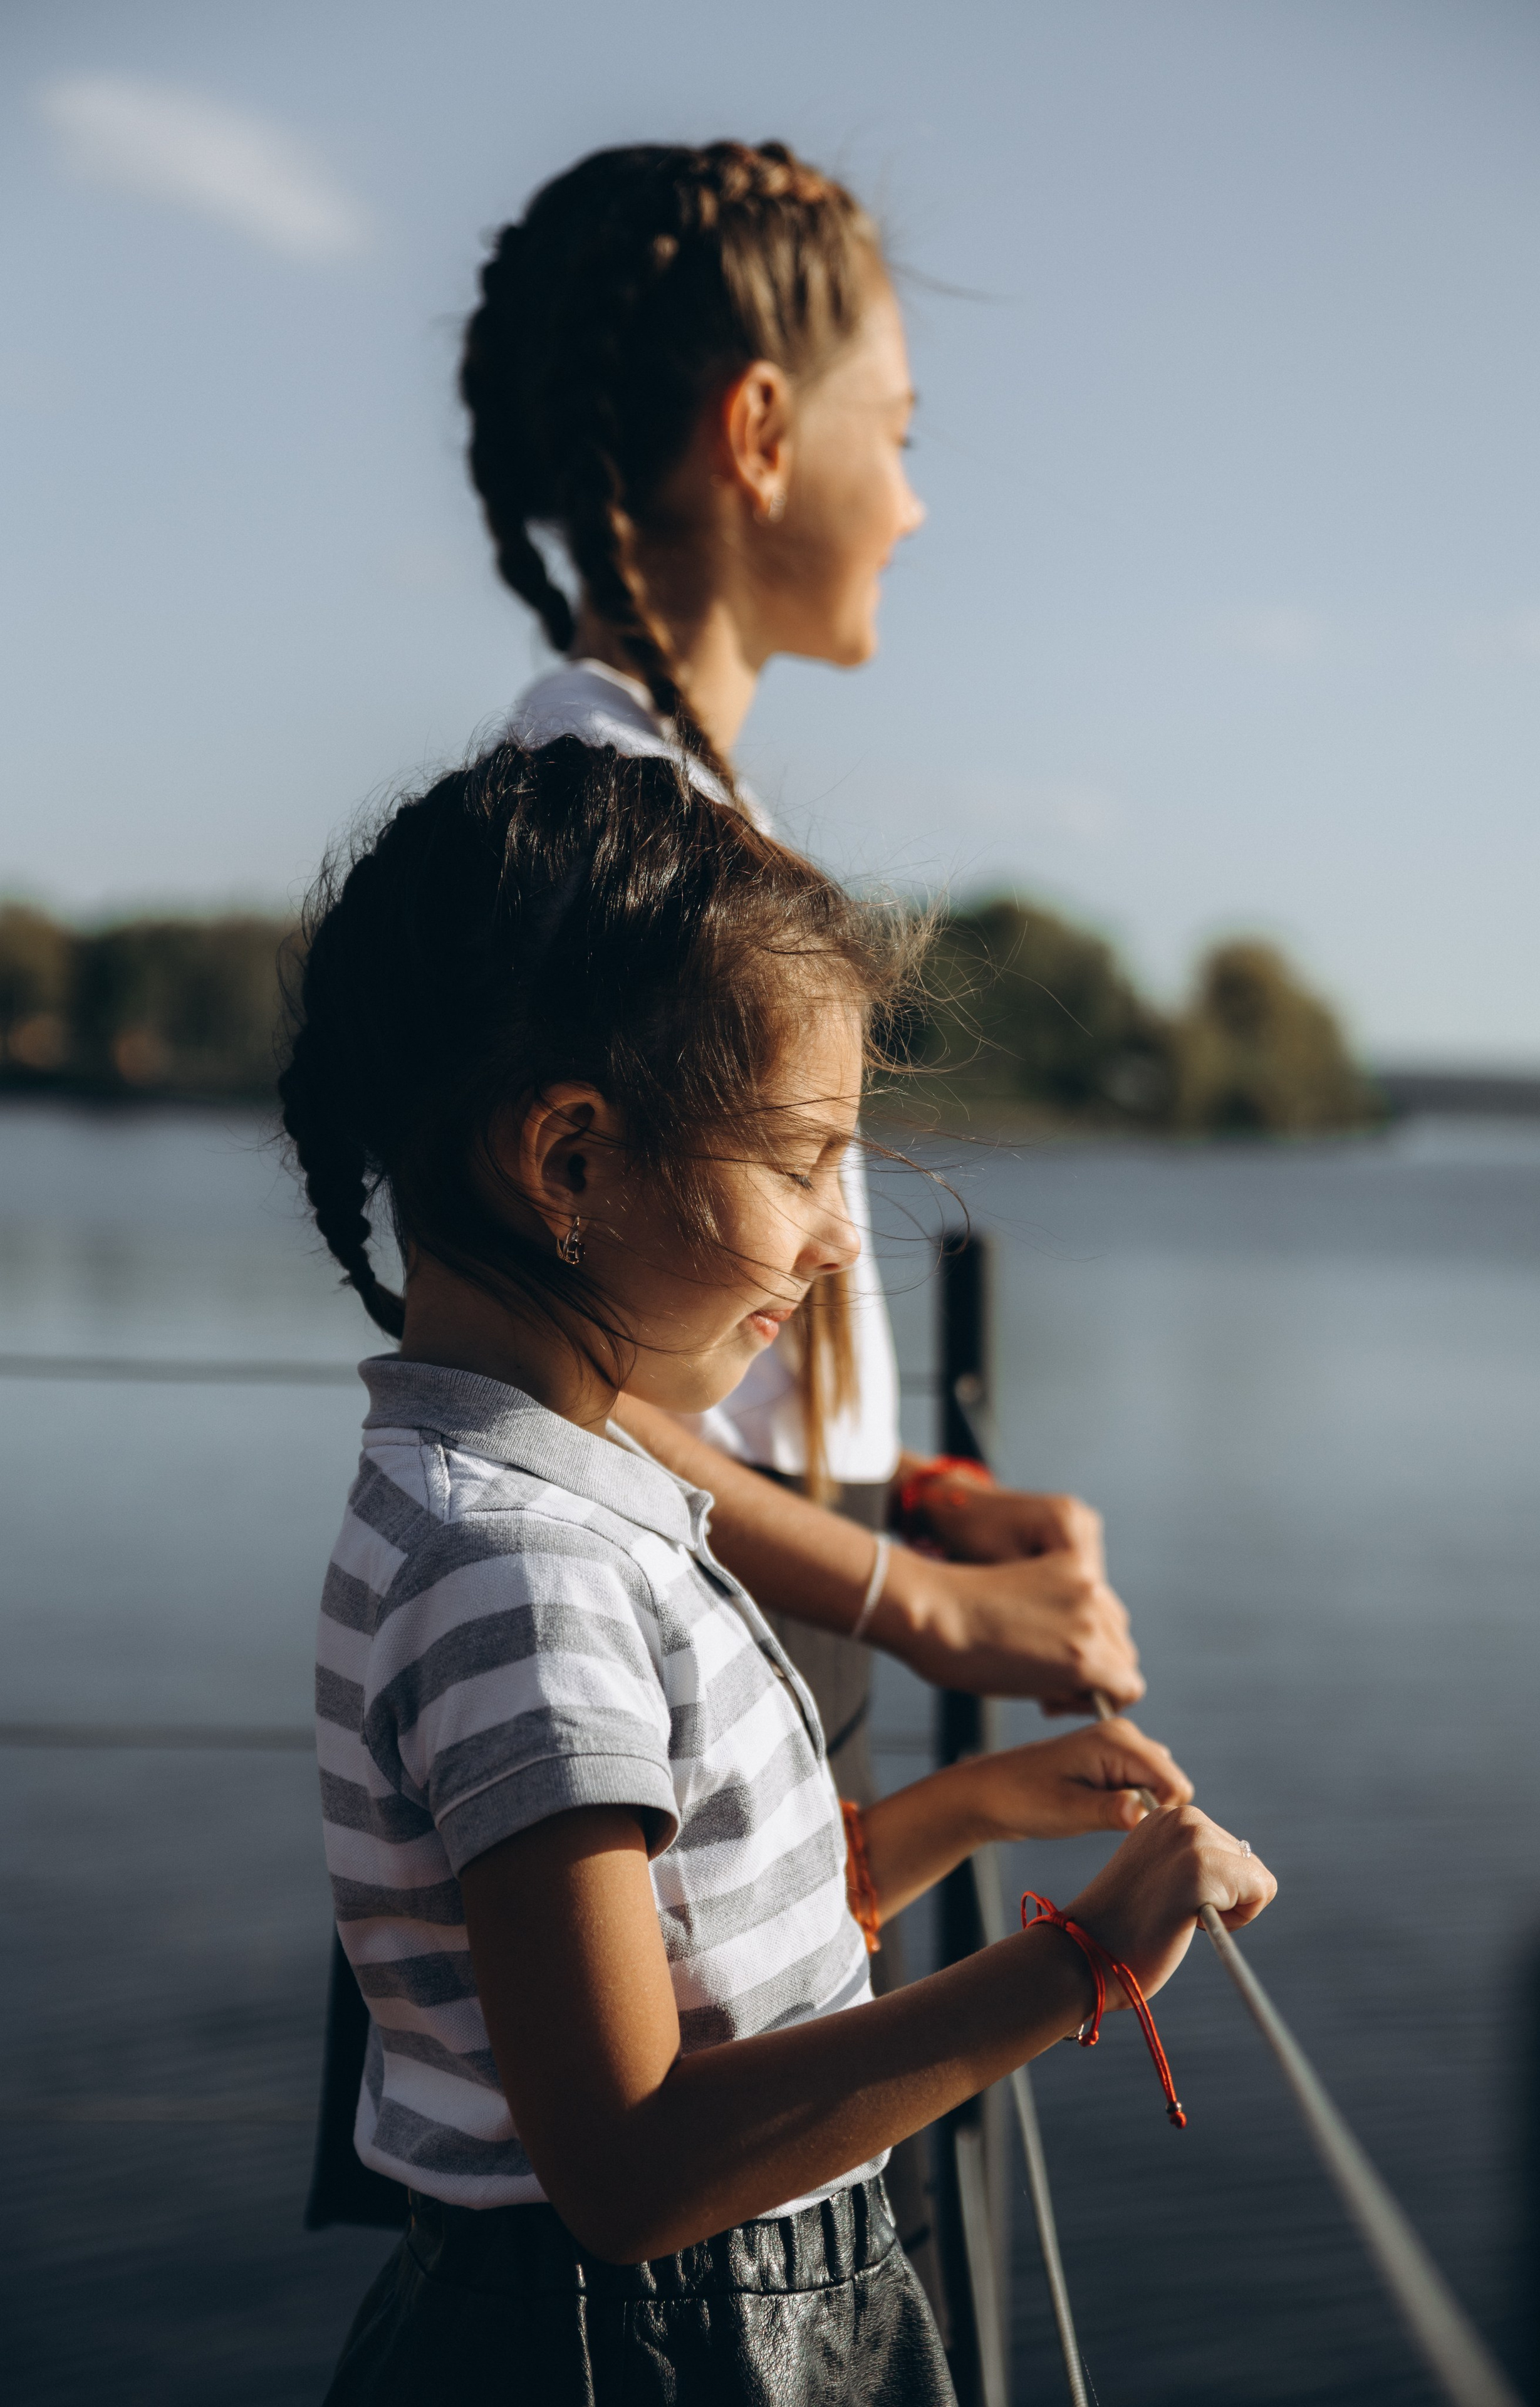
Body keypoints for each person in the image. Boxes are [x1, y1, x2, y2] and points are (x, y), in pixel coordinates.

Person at [282, 738, 1276, 2405]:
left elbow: (681, 1956)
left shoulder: (551, 1500)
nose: (836, 1237)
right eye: (804, 1159)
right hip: (656, 2346)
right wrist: (1079, 1964)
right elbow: (634, 2158)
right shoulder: (521, 1572)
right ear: (574, 1163)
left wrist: (968, 1811)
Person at [457, 139, 1143, 1766]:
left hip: (749, 1630)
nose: (913, 502)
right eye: (896, 434)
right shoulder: (605, 828)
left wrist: (908, 1496)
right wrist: (922, 1599)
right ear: (761, 432)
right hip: (678, 1684)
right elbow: (540, 1360)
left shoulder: (673, 803)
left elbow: (676, 1346)